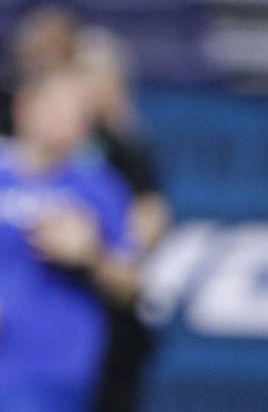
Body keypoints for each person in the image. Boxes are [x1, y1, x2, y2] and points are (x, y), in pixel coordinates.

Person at [0, 67, 139, 412]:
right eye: (59, 112)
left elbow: (131, 286)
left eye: (79, 117)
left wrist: (91, 255)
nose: (71, 125)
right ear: (25, 108)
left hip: (61, 369)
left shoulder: (100, 187)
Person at [74, 27, 170, 412]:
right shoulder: (51, 147)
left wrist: (92, 248)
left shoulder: (129, 150)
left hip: (110, 314)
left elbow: (148, 227)